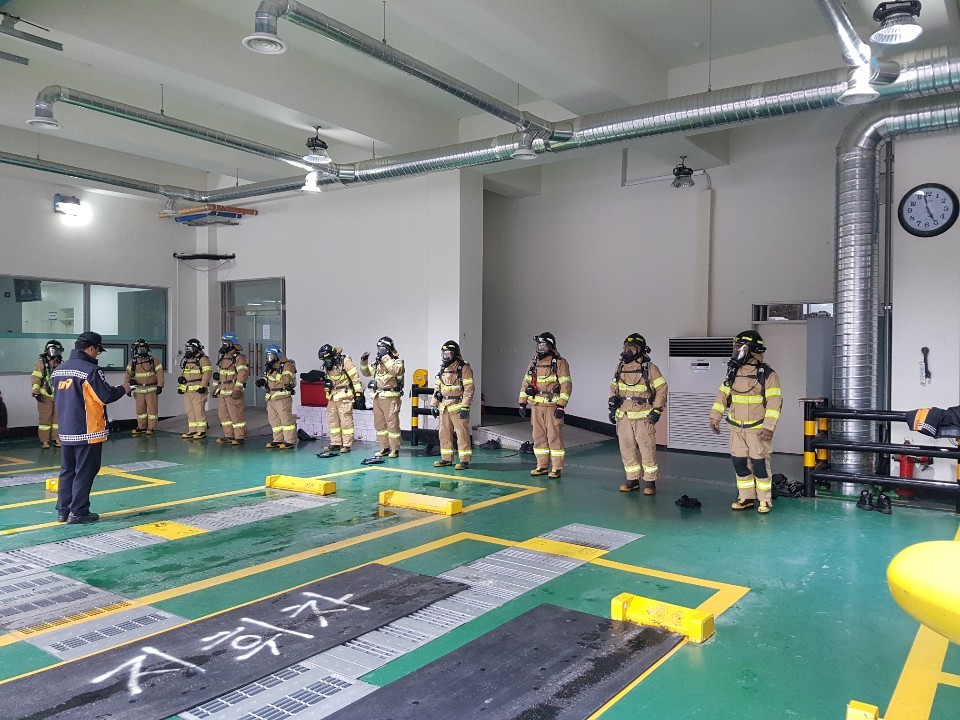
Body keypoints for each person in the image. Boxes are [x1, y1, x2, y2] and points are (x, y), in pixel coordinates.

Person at [52, 332, 129, 524]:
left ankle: (63, 511)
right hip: (88, 430)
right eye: (98, 351)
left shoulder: (59, 370)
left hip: (66, 430)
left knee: (67, 471)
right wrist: (123, 388)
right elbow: (105, 396)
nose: (97, 355)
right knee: (85, 471)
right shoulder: (90, 370)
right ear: (92, 348)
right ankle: (79, 512)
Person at [709, 330, 783, 514]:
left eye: (739, 347)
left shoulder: (768, 375)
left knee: (760, 466)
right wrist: (715, 416)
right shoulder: (733, 371)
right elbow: (722, 395)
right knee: (740, 465)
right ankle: (746, 497)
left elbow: (774, 403)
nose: (736, 351)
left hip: (757, 431)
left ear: (750, 350)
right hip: (736, 429)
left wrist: (769, 427)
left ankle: (764, 500)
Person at [609, 333, 668, 495]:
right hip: (624, 416)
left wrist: (657, 409)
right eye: (626, 348)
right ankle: (632, 479)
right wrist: (612, 408)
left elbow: (662, 389)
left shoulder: (649, 368)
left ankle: (650, 481)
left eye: (632, 348)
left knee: (647, 448)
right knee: (626, 448)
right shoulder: (620, 367)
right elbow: (614, 389)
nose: (628, 351)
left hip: (643, 416)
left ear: (640, 350)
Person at [518, 332, 572, 479]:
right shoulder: (534, 362)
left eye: (543, 345)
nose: (540, 348)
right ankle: (542, 465)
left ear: (550, 346)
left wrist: (561, 405)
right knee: (538, 436)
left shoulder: (559, 362)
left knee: (554, 437)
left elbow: (566, 385)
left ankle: (556, 467)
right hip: (536, 406)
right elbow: (526, 382)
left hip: (552, 406)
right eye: (538, 345)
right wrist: (522, 403)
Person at [431, 340, 474, 470]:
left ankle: (464, 460)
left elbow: (469, 389)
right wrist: (434, 404)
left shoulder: (463, 368)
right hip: (444, 407)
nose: (445, 356)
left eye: (448, 353)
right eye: (443, 353)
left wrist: (465, 406)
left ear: (454, 354)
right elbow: (437, 388)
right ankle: (446, 458)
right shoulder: (443, 368)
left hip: (458, 407)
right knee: (444, 433)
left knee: (462, 434)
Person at [360, 336, 405, 458]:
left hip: (391, 397)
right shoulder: (377, 363)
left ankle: (395, 449)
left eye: (382, 348)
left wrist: (385, 357)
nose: (379, 350)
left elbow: (396, 371)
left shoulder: (396, 361)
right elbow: (366, 372)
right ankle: (384, 447)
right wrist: (363, 361)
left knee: (392, 424)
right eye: (379, 348)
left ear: (388, 348)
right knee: (379, 424)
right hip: (378, 396)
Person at [316, 344, 364, 453]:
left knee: (346, 422)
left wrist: (359, 393)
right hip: (333, 397)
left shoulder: (345, 361)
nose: (325, 362)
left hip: (345, 396)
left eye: (326, 359)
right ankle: (335, 443)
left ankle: (347, 445)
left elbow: (355, 378)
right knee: (332, 422)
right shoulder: (329, 365)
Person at [256, 343, 297, 449]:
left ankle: (289, 441)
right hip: (271, 397)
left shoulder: (287, 365)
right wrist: (262, 381)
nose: (269, 359)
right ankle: (278, 440)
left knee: (286, 420)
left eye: (271, 356)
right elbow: (266, 377)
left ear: (277, 355)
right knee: (274, 420)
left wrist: (275, 373)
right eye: (267, 356)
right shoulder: (270, 367)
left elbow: (286, 379)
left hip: (282, 397)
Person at [212, 332, 249, 445]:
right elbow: (219, 375)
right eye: (223, 343)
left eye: (226, 343)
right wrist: (214, 389)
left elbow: (242, 374)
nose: (224, 345)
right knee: (223, 415)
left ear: (232, 344)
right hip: (223, 391)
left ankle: (239, 436)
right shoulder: (223, 358)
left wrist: (237, 389)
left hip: (233, 391)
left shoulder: (238, 358)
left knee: (236, 415)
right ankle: (229, 435)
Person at [124, 339, 164, 435]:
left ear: (147, 349)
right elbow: (127, 375)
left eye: (143, 348)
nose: (141, 350)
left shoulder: (154, 361)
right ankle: (142, 427)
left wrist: (160, 385)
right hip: (139, 391)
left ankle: (151, 428)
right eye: (139, 348)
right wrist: (127, 388)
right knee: (140, 410)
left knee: (152, 410)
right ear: (136, 349)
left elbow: (160, 374)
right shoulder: (133, 362)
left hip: (151, 390)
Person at [177, 338, 212, 439]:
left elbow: (207, 373)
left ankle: (201, 431)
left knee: (198, 411)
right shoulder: (187, 360)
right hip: (188, 390)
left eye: (190, 348)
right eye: (187, 348)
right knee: (190, 411)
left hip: (198, 391)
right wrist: (181, 386)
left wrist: (203, 386)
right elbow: (184, 375)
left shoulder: (203, 359)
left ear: (195, 348)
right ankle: (192, 430)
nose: (187, 350)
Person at [31, 339, 63, 449]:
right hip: (44, 396)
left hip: (58, 396)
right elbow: (36, 378)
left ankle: (56, 438)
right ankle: (44, 440)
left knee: (57, 419)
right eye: (55, 350)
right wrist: (36, 391)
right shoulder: (41, 364)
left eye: (59, 351)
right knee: (45, 419)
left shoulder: (61, 364)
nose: (57, 353)